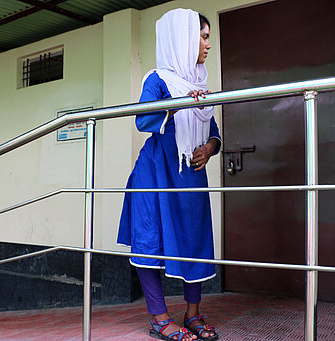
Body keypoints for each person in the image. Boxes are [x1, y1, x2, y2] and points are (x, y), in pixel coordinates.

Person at [117, 8, 220, 341]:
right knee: (149, 239)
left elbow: (212, 129)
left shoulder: (199, 82)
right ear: (184, 38)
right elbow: (142, 121)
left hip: (189, 173)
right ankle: (159, 317)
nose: (207, 44)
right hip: (156, 171)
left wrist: (211, 147)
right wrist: (175, 104)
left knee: (195, 237)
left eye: (208, 37)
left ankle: (193, 313)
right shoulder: (158, 79)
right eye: (202, 37)